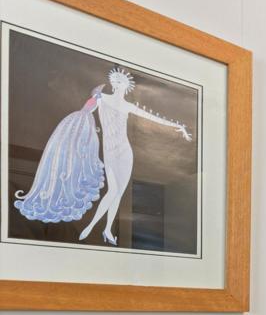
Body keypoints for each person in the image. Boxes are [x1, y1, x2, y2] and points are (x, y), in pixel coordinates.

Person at [78, 67, 191, 246]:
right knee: (113, 190)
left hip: (125, 151)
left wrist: (178, 127)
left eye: (121, 81)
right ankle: (91, 225)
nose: (117, 84)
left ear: (126, 86)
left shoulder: (128, 106)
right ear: (113, 83)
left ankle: (107, 229)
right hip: (110, 150)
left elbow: (153, 117)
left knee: (119, 193)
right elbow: (85, 113)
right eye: (115, 80)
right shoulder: (102, 98)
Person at [13, 86, 106, 223]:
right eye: (99, 94)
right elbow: (89, 111)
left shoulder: (91, 106)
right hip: (83, 120)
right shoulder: (93, 103)